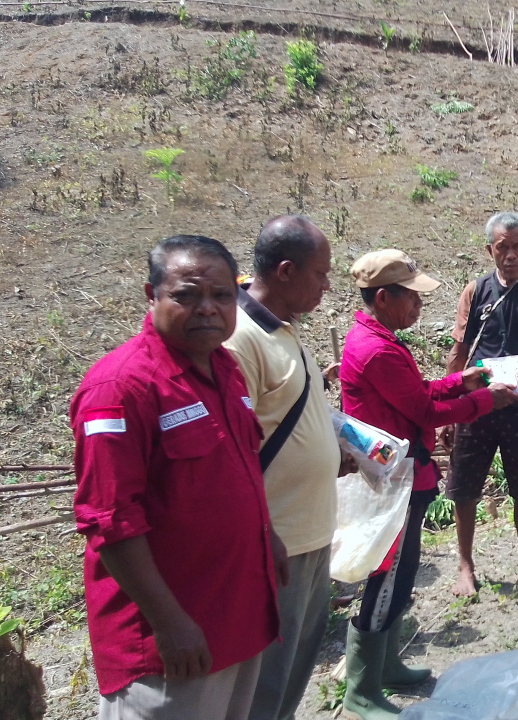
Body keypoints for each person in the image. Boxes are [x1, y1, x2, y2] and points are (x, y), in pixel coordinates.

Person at [71, 235, 284, 720]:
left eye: (222, 296)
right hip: (172, 647)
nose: (207, 309)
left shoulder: (224, 369)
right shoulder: (119, 388)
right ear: (152, 296)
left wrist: (265, 535)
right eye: (186, 295)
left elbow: (237, 470)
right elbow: (109, 520)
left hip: (236, 618)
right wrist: (169, 623)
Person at [338, 249, 518, 719]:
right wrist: (482, 401)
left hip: (403, 475)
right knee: (388, 579)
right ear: (382, 298)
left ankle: (389, 665)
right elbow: (425, 412)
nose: (419, 308)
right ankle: (360, 690)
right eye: (412, 299)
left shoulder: (378, 339)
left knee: (400, 574)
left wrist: (460, 381)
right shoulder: (376, 349)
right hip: (395, 479)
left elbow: (416, 395)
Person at [222, 216, 350, 720]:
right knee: (265, 682)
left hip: (311, 534)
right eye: (320, 274)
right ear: (284, 270)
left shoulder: (283, 329)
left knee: (293, 671)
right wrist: (263, 529)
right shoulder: (241, 339)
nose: (326, 285)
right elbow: (233, 452)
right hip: (280, 544)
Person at [441, 211, 518, 598]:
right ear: (489, 250)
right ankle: (465, 565)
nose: (510, 255)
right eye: (502, 247)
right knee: (465, 486)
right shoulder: (475, 291)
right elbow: (459, 351)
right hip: (478, 405)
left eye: (516, 247)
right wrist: (447, 409)